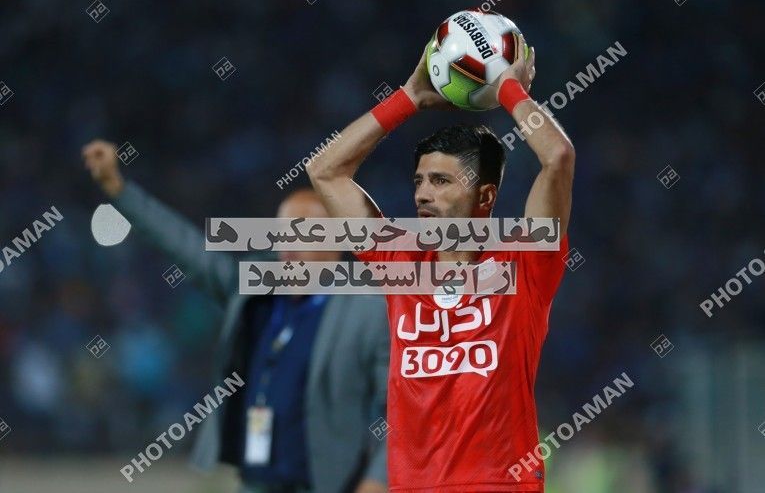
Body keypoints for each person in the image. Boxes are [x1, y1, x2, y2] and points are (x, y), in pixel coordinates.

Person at [306, 32, 574, 493]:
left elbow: (558, 157)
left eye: (441, 181)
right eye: (419, 181)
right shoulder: (399, 260)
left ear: (485, 196)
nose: (423, 195)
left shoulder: (525, 262)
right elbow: (324, 170)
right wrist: (408, 98)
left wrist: (508, 87)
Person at [82, 140, 390, 493]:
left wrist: (376, 480)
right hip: (255, 482)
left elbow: (400, 410)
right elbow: (188, 249)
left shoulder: (368, 312)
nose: (288, 245)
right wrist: (119, 190)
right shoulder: (258, 293)